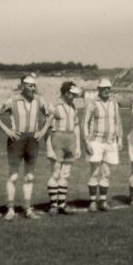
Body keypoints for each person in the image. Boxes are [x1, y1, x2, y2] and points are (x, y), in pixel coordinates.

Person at [0, 74, 52, 221]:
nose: (33, 88)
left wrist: (42, 131)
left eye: (34, 85)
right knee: (13, 176)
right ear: (23, 86)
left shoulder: (39, 100)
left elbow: (51, 114)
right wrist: (7, 131)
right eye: (30, 85)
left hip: (32, 140)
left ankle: (27, 208)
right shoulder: (12, 100)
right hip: (16, 140)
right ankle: (10, 209)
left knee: (29, 177)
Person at [82, 78, 123, 212]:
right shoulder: (92, 103)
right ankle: (93, 202)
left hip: (111, 142)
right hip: (96, 142)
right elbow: (85, 123)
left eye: (108, 88)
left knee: (106, 172)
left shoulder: (114, 103)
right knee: (94, 172)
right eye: (103, 88)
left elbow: (118, 122)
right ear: (98, 89)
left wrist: (120, 138)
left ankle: (103, 201)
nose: (106, 90)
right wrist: (87, 141)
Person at [46, 81, 83, 215]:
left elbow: (76, 126)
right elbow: (46, 128)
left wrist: (78, 146)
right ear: (66, 92)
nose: (75, 96)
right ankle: (53, 205)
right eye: (73, 94)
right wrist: (49, 148)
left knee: (65, 175)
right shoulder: (53, 106)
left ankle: (61, 204)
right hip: (57, 140)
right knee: (55, 173)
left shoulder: (73, 106)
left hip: (70, 141)